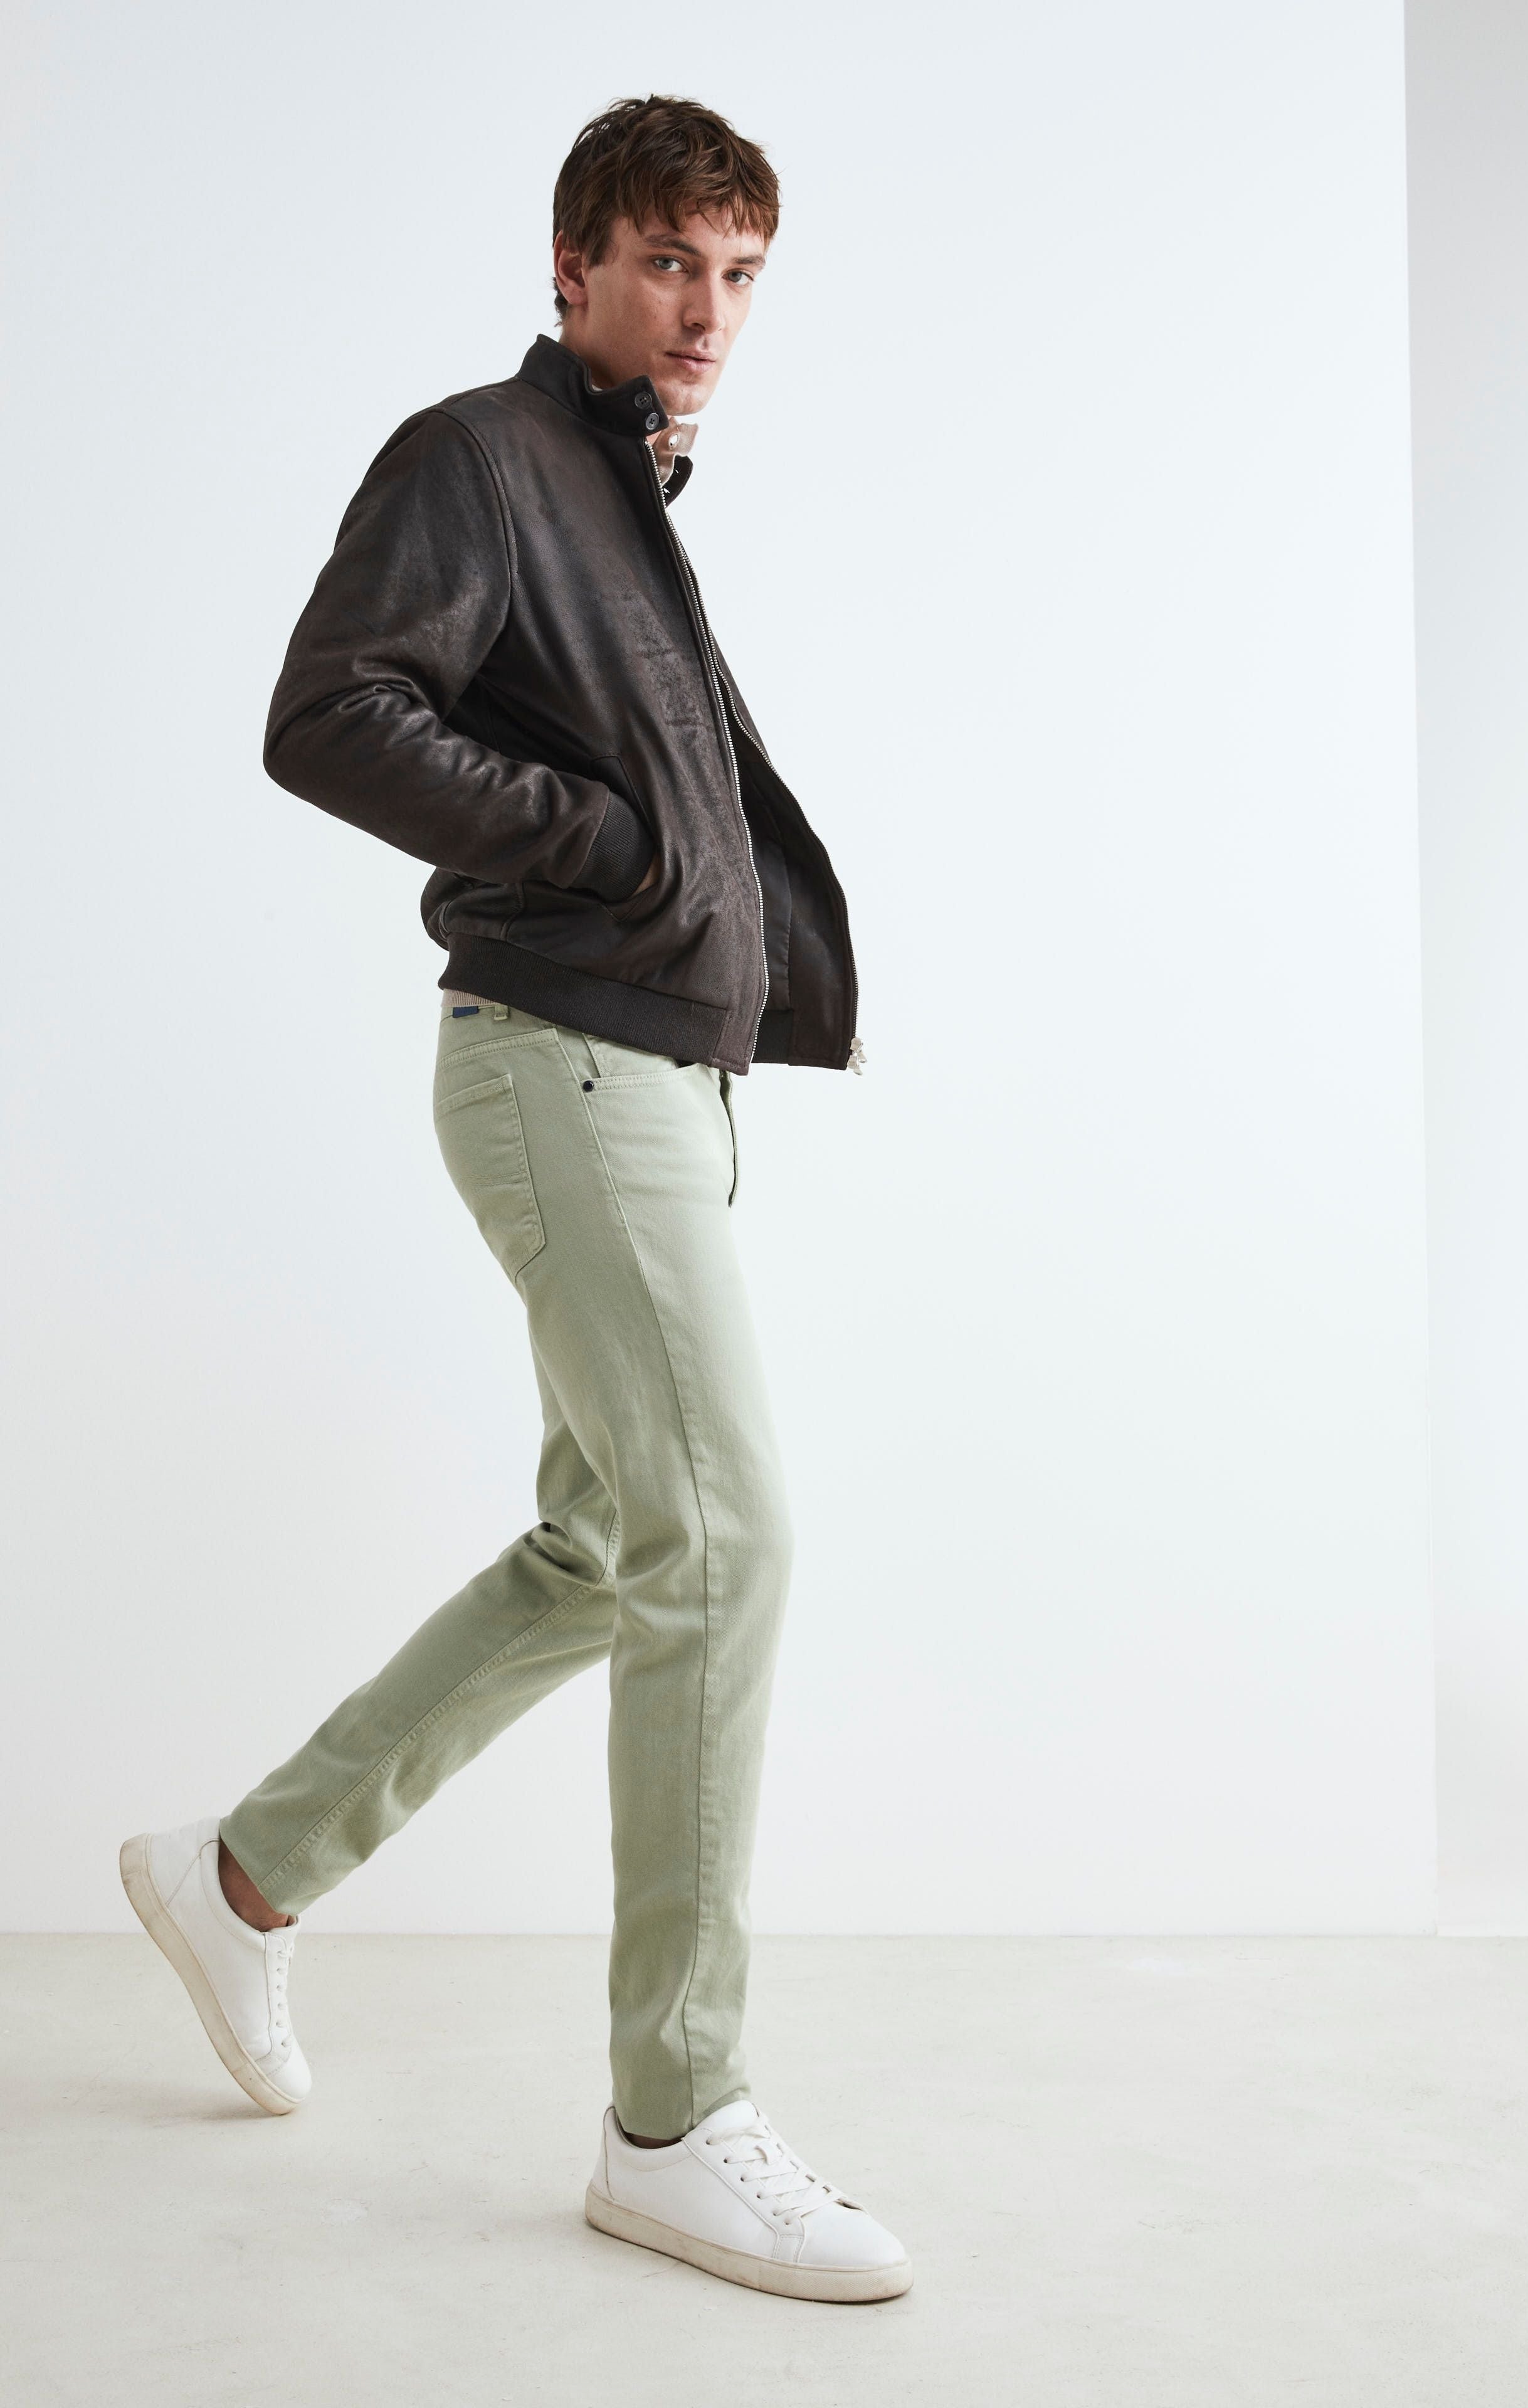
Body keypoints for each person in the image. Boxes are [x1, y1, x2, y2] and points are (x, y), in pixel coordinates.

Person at [118, 93, 908, 2305]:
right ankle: (677, 2120)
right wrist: (611, 851)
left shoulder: (623, 491)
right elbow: (330, 713)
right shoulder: (482, 459)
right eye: (668, 265)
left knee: (608, 1544)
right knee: (724, 1543)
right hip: (566, 1063)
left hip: (650, 1073)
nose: (706, 312)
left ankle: (243, 1874)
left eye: (739, 275)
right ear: (575, 271)